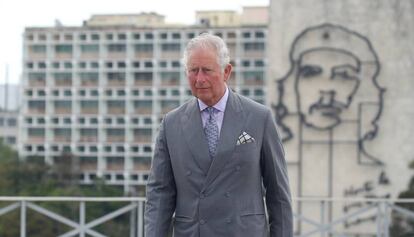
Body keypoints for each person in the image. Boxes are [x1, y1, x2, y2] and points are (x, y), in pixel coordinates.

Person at [145, 33, 293, 237]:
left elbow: (278, 193)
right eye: (193, 71)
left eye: (206, 70)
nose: (199, 79)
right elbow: (160, 193)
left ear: (226, 71)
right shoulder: (171, 124)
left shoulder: (259, 118)